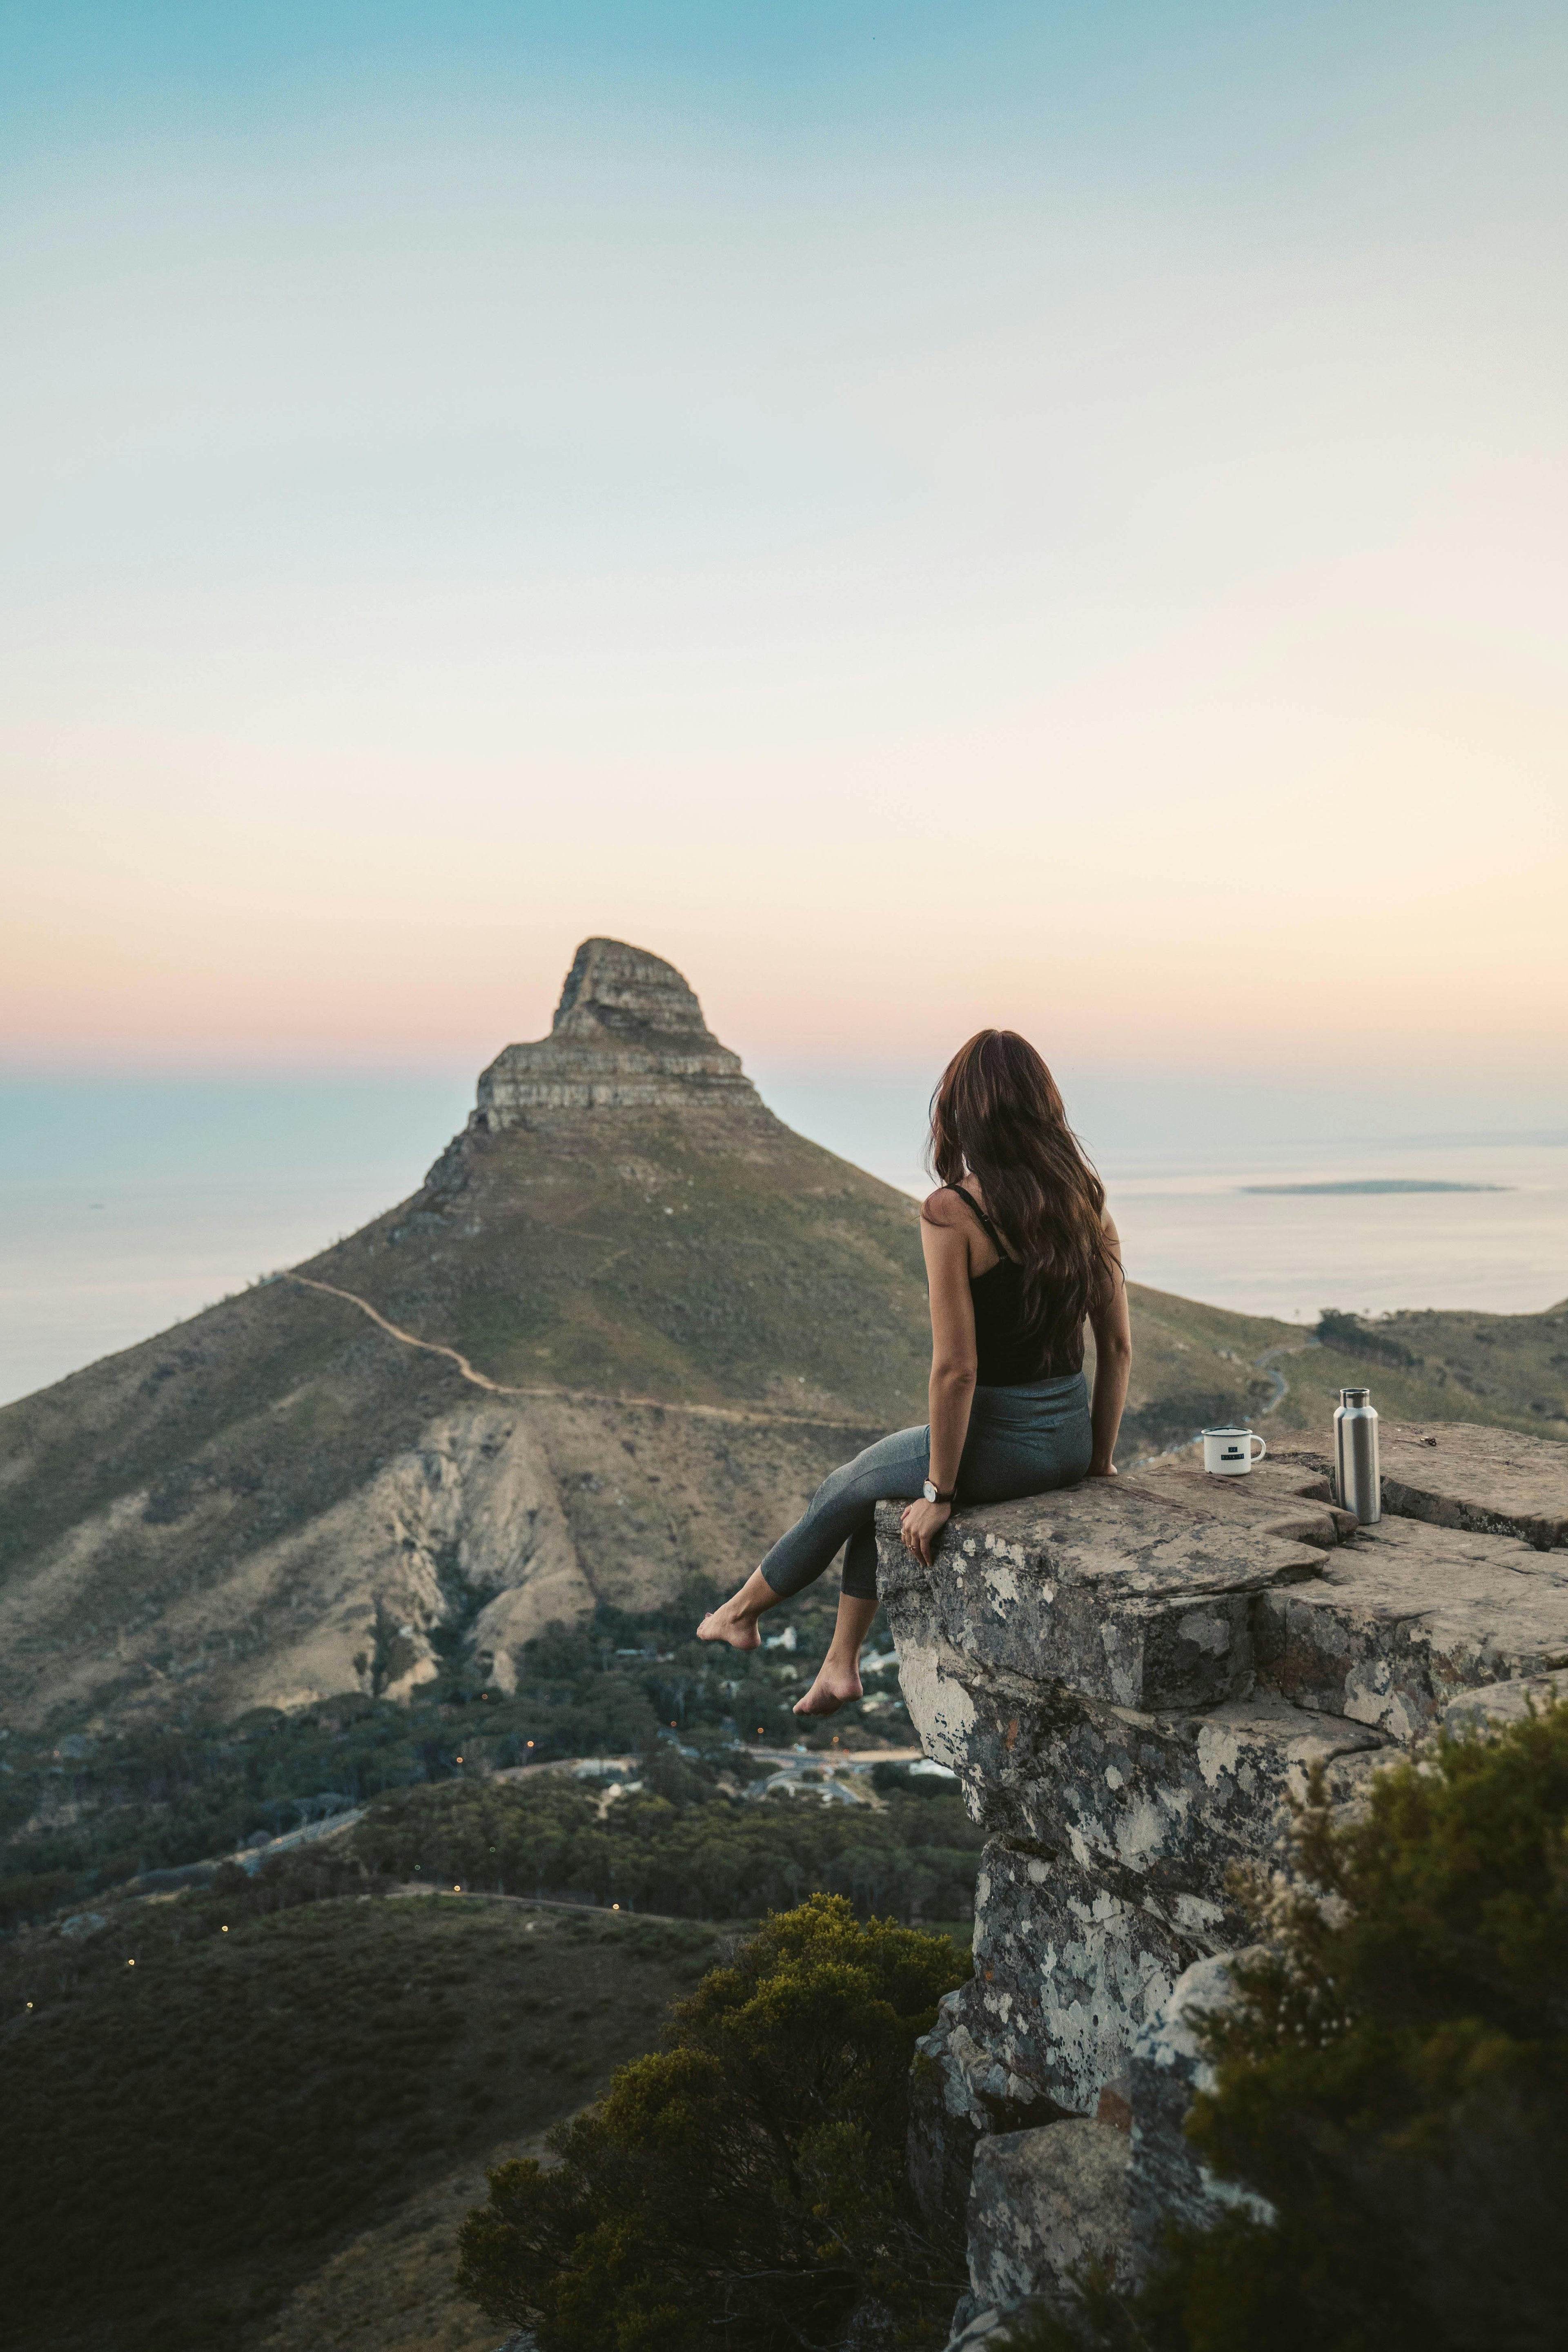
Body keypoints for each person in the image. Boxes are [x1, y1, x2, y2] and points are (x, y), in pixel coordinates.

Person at [697, 1028, 1132, 1716]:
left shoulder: (954, 1211)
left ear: (963, 1109)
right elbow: (1118, 1347)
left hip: (1004, 1445)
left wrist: (941, 1491)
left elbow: (957, 1370)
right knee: (877, 1498)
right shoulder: (1086, 1200)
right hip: (1069, 1445)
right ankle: (840, 1666)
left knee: (845, 1485)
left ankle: (740, 1611)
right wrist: (1098, 1459)